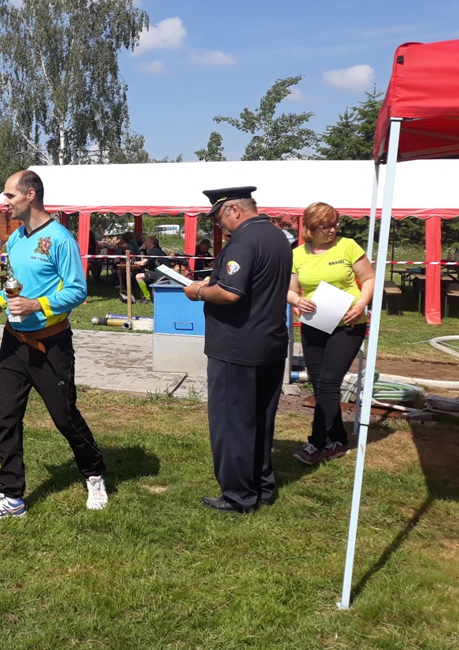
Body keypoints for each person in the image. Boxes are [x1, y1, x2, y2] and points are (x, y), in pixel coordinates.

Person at [0, 170, 106, 523]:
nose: (5, 202)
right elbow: (14, 289)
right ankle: (11, 495)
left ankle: (94, 473)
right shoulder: (15, 239)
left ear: (30, 195)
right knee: (7, 418)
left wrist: (37, 305)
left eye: (10, 195)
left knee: (64, 416)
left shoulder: (60, 239)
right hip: (13, 342)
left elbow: (77, 290)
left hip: (50, 344)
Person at [181, 186, 291, 514]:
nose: (219, 225)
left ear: (234, 210)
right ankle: (262, 486)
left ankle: (238, 495)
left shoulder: (243, 241)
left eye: (219, 218)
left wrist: (199, 291)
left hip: (237, 344)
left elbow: (230, 292)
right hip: (270, 340)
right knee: (261, 419)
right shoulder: (277, 236)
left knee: (233, 423)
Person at [287, 202, 374, 466]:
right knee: (320, 384)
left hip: (348, 324)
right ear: (310, 228)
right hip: (315, 324)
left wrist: (361, 304)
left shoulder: (348, 246)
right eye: (325, 226)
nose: (332, 230)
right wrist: (297, 300)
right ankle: (338, 439)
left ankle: (316, 443)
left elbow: (369, 278)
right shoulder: (297, 254)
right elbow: (289, 289)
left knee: (328, 383)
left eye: (335, 224)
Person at [132, 235, 170, 301]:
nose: (145, 243)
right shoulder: (157, 250)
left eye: (146, 242)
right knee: (141, 274)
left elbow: (142, 263)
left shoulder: (153, 251)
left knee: (138, 276)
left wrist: (133, 262)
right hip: (163, 273)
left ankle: (147, 297)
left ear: (150, 243)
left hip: (161, 274)